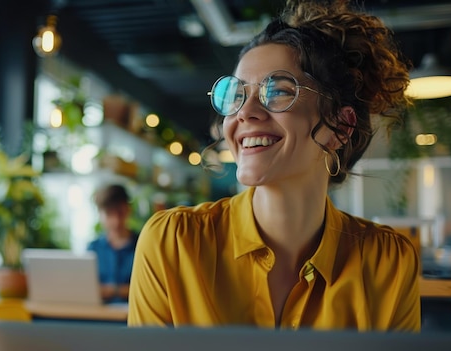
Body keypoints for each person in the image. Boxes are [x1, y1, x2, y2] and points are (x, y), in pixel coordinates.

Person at [128, 0, 420, 331]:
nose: (245, 112)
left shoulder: (388, 260)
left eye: (278, 91)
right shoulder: (173, 242)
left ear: (340, 128)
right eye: (235, 94)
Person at [87, 184, 139, 303]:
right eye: (109, 214)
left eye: (120, 213)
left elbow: (150, 289)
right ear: (100, 214)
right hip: (100, 315)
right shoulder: (93, 248)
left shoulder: (142, 246)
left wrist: (112, 291)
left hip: (131, 316)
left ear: (128, 209)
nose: (116, 221)